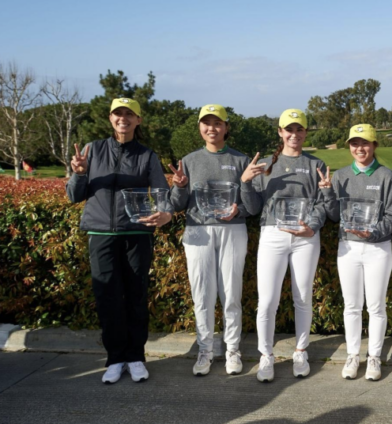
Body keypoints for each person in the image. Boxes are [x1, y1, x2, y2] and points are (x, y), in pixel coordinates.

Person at [66, 98, 173, 384]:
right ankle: (115, 358)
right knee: (107, 298)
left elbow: (162, 192)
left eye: (129, 114)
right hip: (101, 234)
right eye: (118, 114)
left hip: (136, 233)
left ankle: (136, 356)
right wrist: (78, 174)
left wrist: (166, 213)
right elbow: (74, 196)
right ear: (110, 119)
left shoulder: (147, 155)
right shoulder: (92, 149)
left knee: (136, 295)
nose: (123, 118)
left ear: (138, 120)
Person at [241, 109, 329, 382]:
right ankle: (266, 355)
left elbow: (323, 204)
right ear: (280, 132)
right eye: (288, 130)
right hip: (272, 234)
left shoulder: (317, 163)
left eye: (299, 129)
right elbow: (253, 208)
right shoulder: (265, 165)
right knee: (267, 300)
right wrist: (245, 183)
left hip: (305, 237)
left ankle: (300, 351)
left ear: (305, 132)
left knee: (302, 298)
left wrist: (312, 225)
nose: (294, 134)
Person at [169, 104, 256, 377]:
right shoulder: (189, 160)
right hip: (197, 230)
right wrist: (180, 186)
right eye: (206, 123)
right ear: (199, 128)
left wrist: (238, 209)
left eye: (217, 123)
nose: (212, 128)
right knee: (202, 294)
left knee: (231, 293)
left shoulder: (241, 160)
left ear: (226, 127)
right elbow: (177, 204)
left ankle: (232, 349)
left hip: (232, 229)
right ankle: (205, 349)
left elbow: (252, 206)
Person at [322, 124, 392, 381]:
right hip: (348, 247)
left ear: (374, 145)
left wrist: (374, 232)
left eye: (365, 143)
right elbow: (334, 215)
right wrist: (326, 192)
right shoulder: (340, 175)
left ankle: (374, 357)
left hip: (378, 247)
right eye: (355, 144)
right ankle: (353, 355)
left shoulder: (387, 177)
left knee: (376, 306)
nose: (360, 148)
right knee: (352, 306)